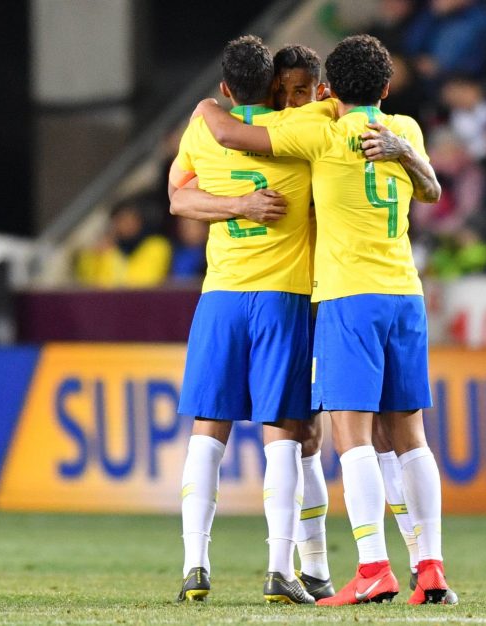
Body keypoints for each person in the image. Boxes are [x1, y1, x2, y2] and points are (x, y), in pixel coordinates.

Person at [197, 34, 453, 606]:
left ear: (328, 90)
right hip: (405, 297)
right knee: (410, 439)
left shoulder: (319, 130)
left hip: (348, 299)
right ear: (387, 91)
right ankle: (430, 568)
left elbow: (230, 133)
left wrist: (206, 105)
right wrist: (403, 153)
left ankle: (372, 567)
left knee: (353, 439)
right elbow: (434, 191)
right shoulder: (405, 131)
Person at [169, 42, 334, 603]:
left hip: (220, 298)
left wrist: (233, 203)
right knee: (286, 436)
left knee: (206, 432)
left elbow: (177, 199)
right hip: (283, 298)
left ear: (225, 89)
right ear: (273, 89)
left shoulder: (205, 128)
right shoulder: (302, 132)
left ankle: (195, 565)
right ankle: (280, 568)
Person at [75, 199, 171, 288]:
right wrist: (100, 256)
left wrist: (110, 255)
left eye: (131, 219)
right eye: (120, 220)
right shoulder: (98, 250)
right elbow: (92, 286)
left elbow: (139, 284)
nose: (126, 224)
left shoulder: (157, 245)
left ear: (140, 221)